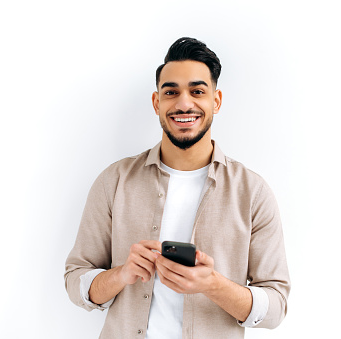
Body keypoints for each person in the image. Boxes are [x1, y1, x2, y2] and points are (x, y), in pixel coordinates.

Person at [64, 37, 290, 339]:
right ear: (157, 102)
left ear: (216, 101)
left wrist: (212, 284)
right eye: (171, 92)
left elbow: (276, 306)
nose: (184, 103)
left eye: (197, 91)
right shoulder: (114, 181)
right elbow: (76, 280)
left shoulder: (253, 193)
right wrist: (121, 274)